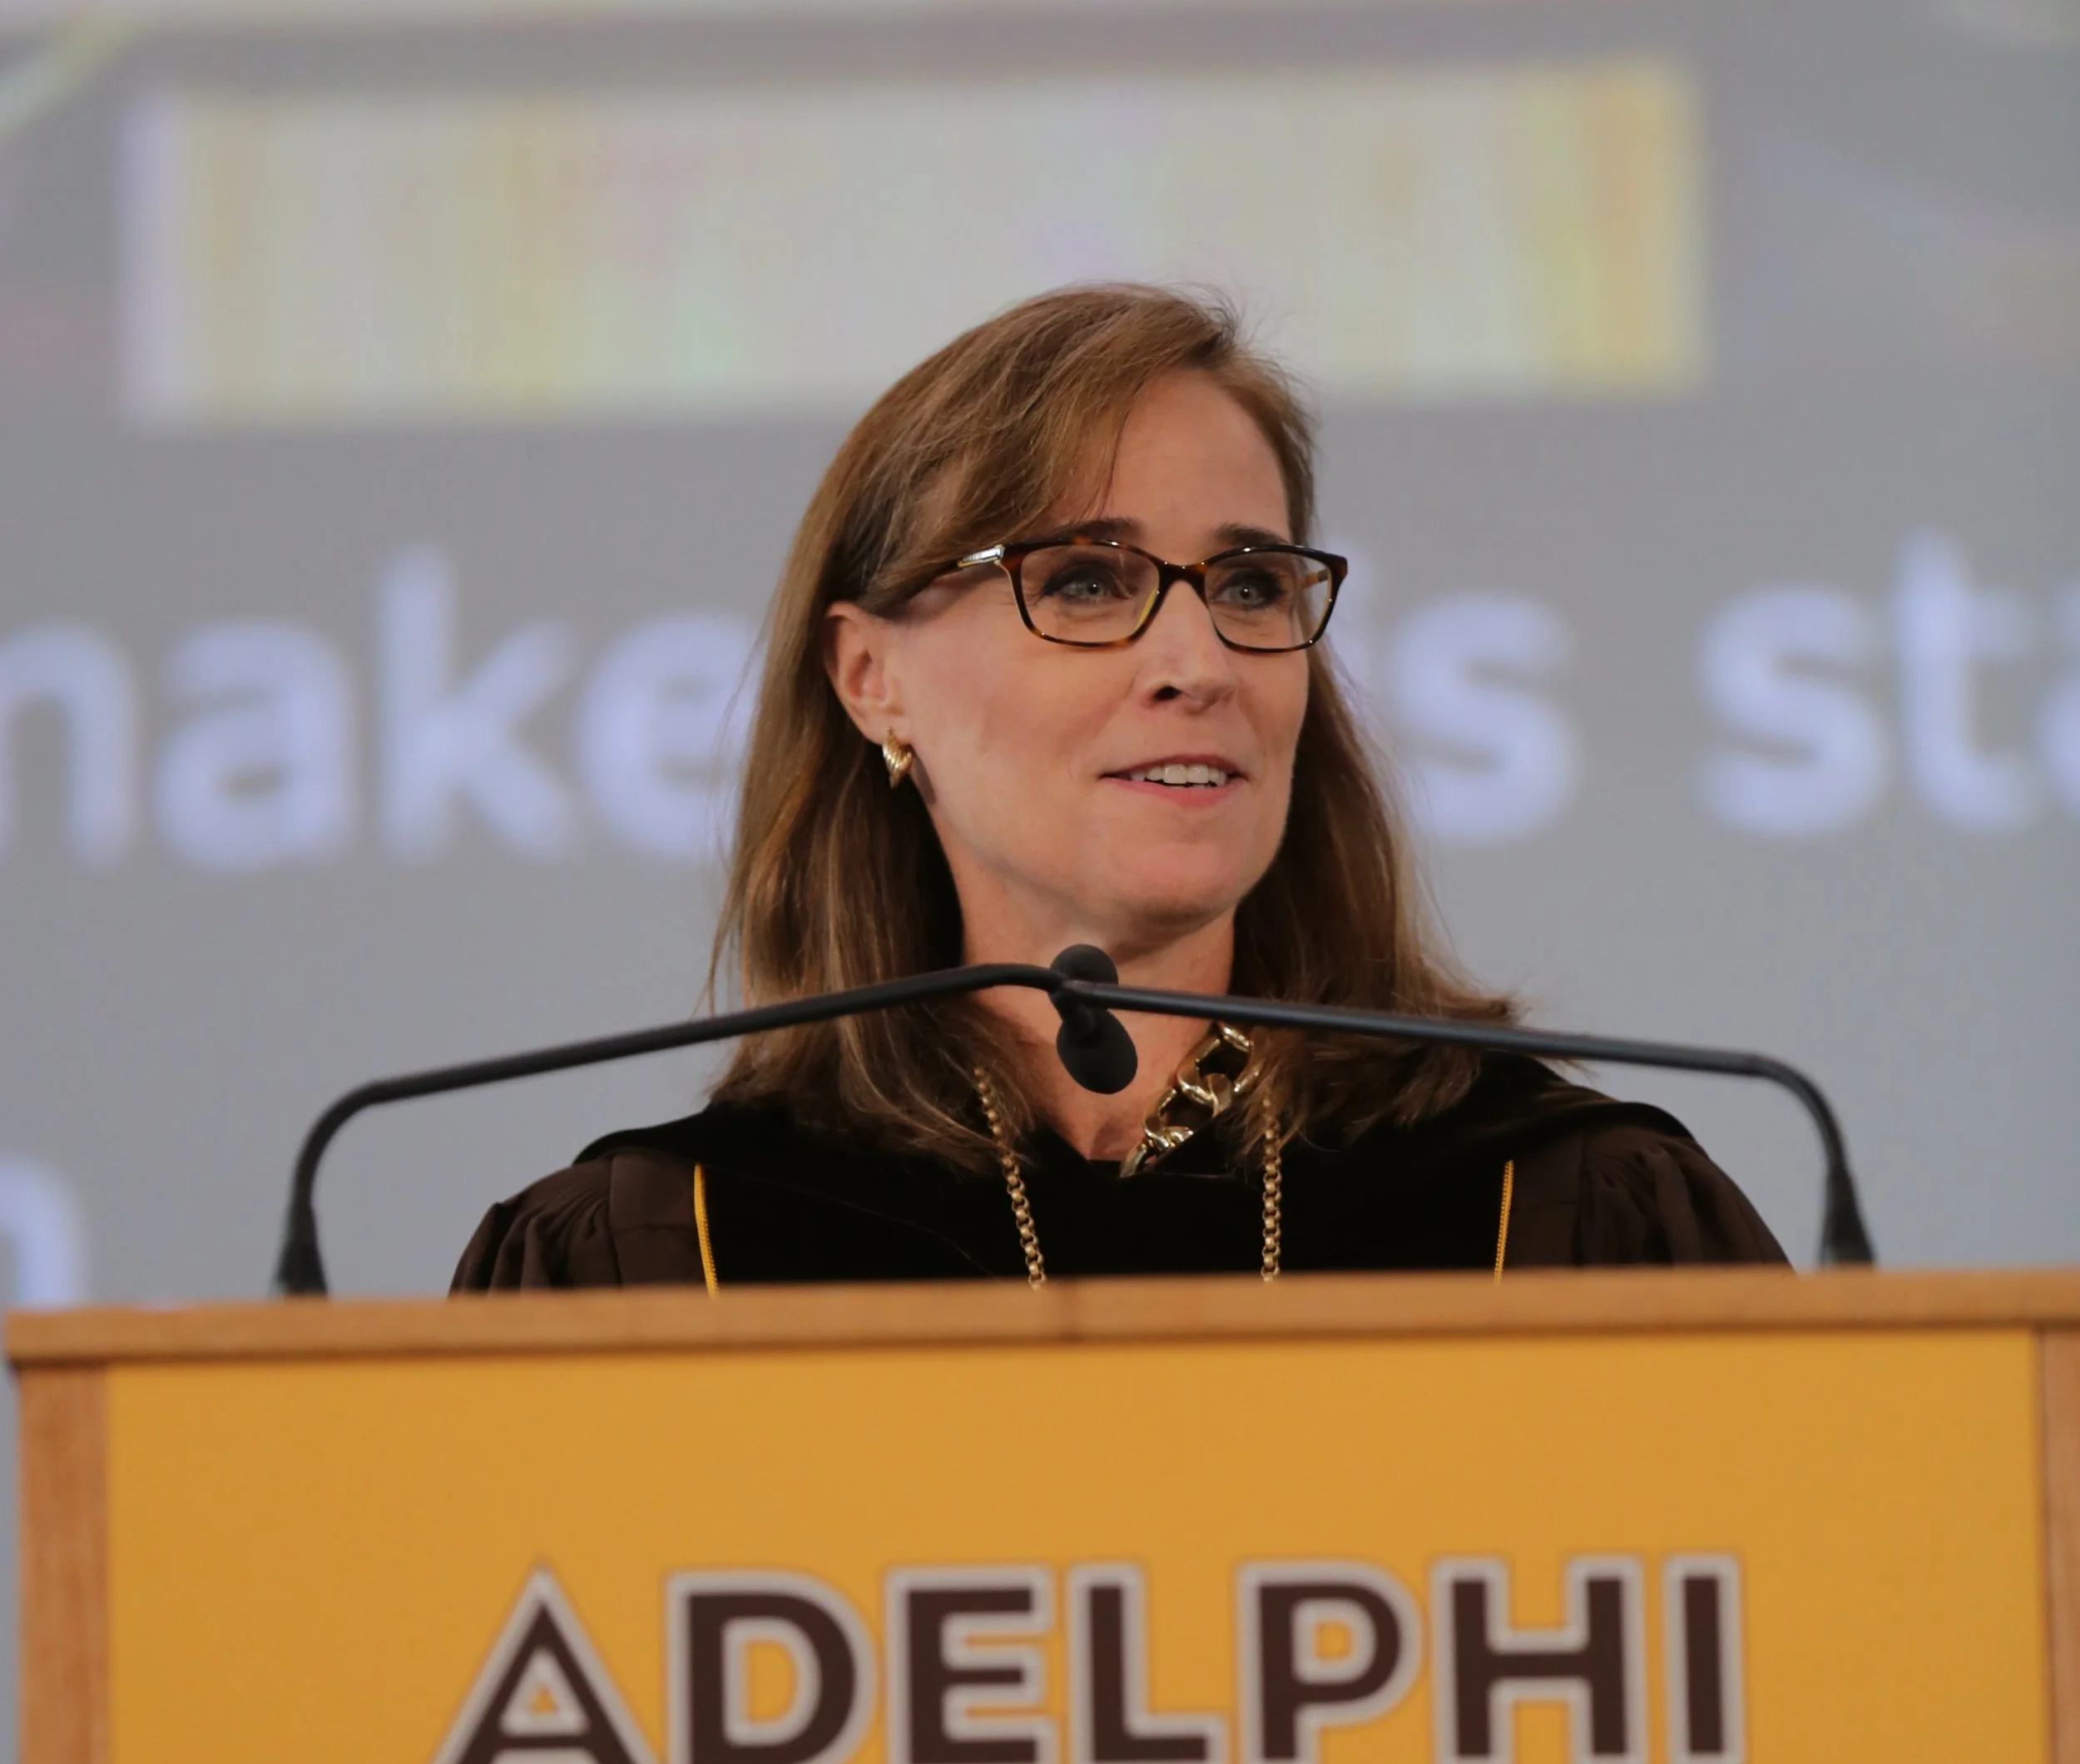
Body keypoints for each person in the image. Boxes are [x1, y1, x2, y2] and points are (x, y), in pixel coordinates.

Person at [455, 285, 1781, 1293]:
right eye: (1088, 580)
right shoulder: (657, 1260)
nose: (1200, 662)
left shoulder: (1568, 1217)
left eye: (1251, 583)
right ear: (870, 676)